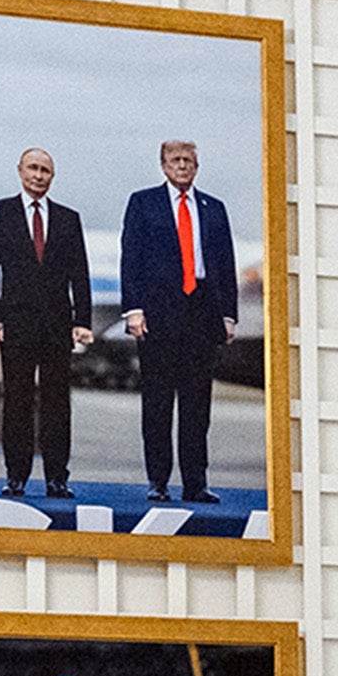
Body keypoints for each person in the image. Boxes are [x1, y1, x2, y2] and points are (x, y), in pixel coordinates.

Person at [120, 140, 239, 505]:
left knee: (196, 405)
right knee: (157, 403)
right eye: (176, 160)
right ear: (163, 165)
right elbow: (132, 258)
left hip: (201, 314)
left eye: (189, 160)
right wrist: (134, 309)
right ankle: (158, 481)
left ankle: (195, 483)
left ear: (197, 166)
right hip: (158, 315)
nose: (183, 166)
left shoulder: (214, 209)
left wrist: (228, 314)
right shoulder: (143, 203)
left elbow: (225, 264)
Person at [0, 148, 95, 499]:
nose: (39, 175)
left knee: (58, 403)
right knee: (17, 401)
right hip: (15, 323)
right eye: (33, 168)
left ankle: (58, 477)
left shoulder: (68, 219)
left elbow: (80, 274)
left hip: (58, 324)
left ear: (52, 177)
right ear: (20, 171)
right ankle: (16, 476)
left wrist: (83, 320)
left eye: (45, 170)